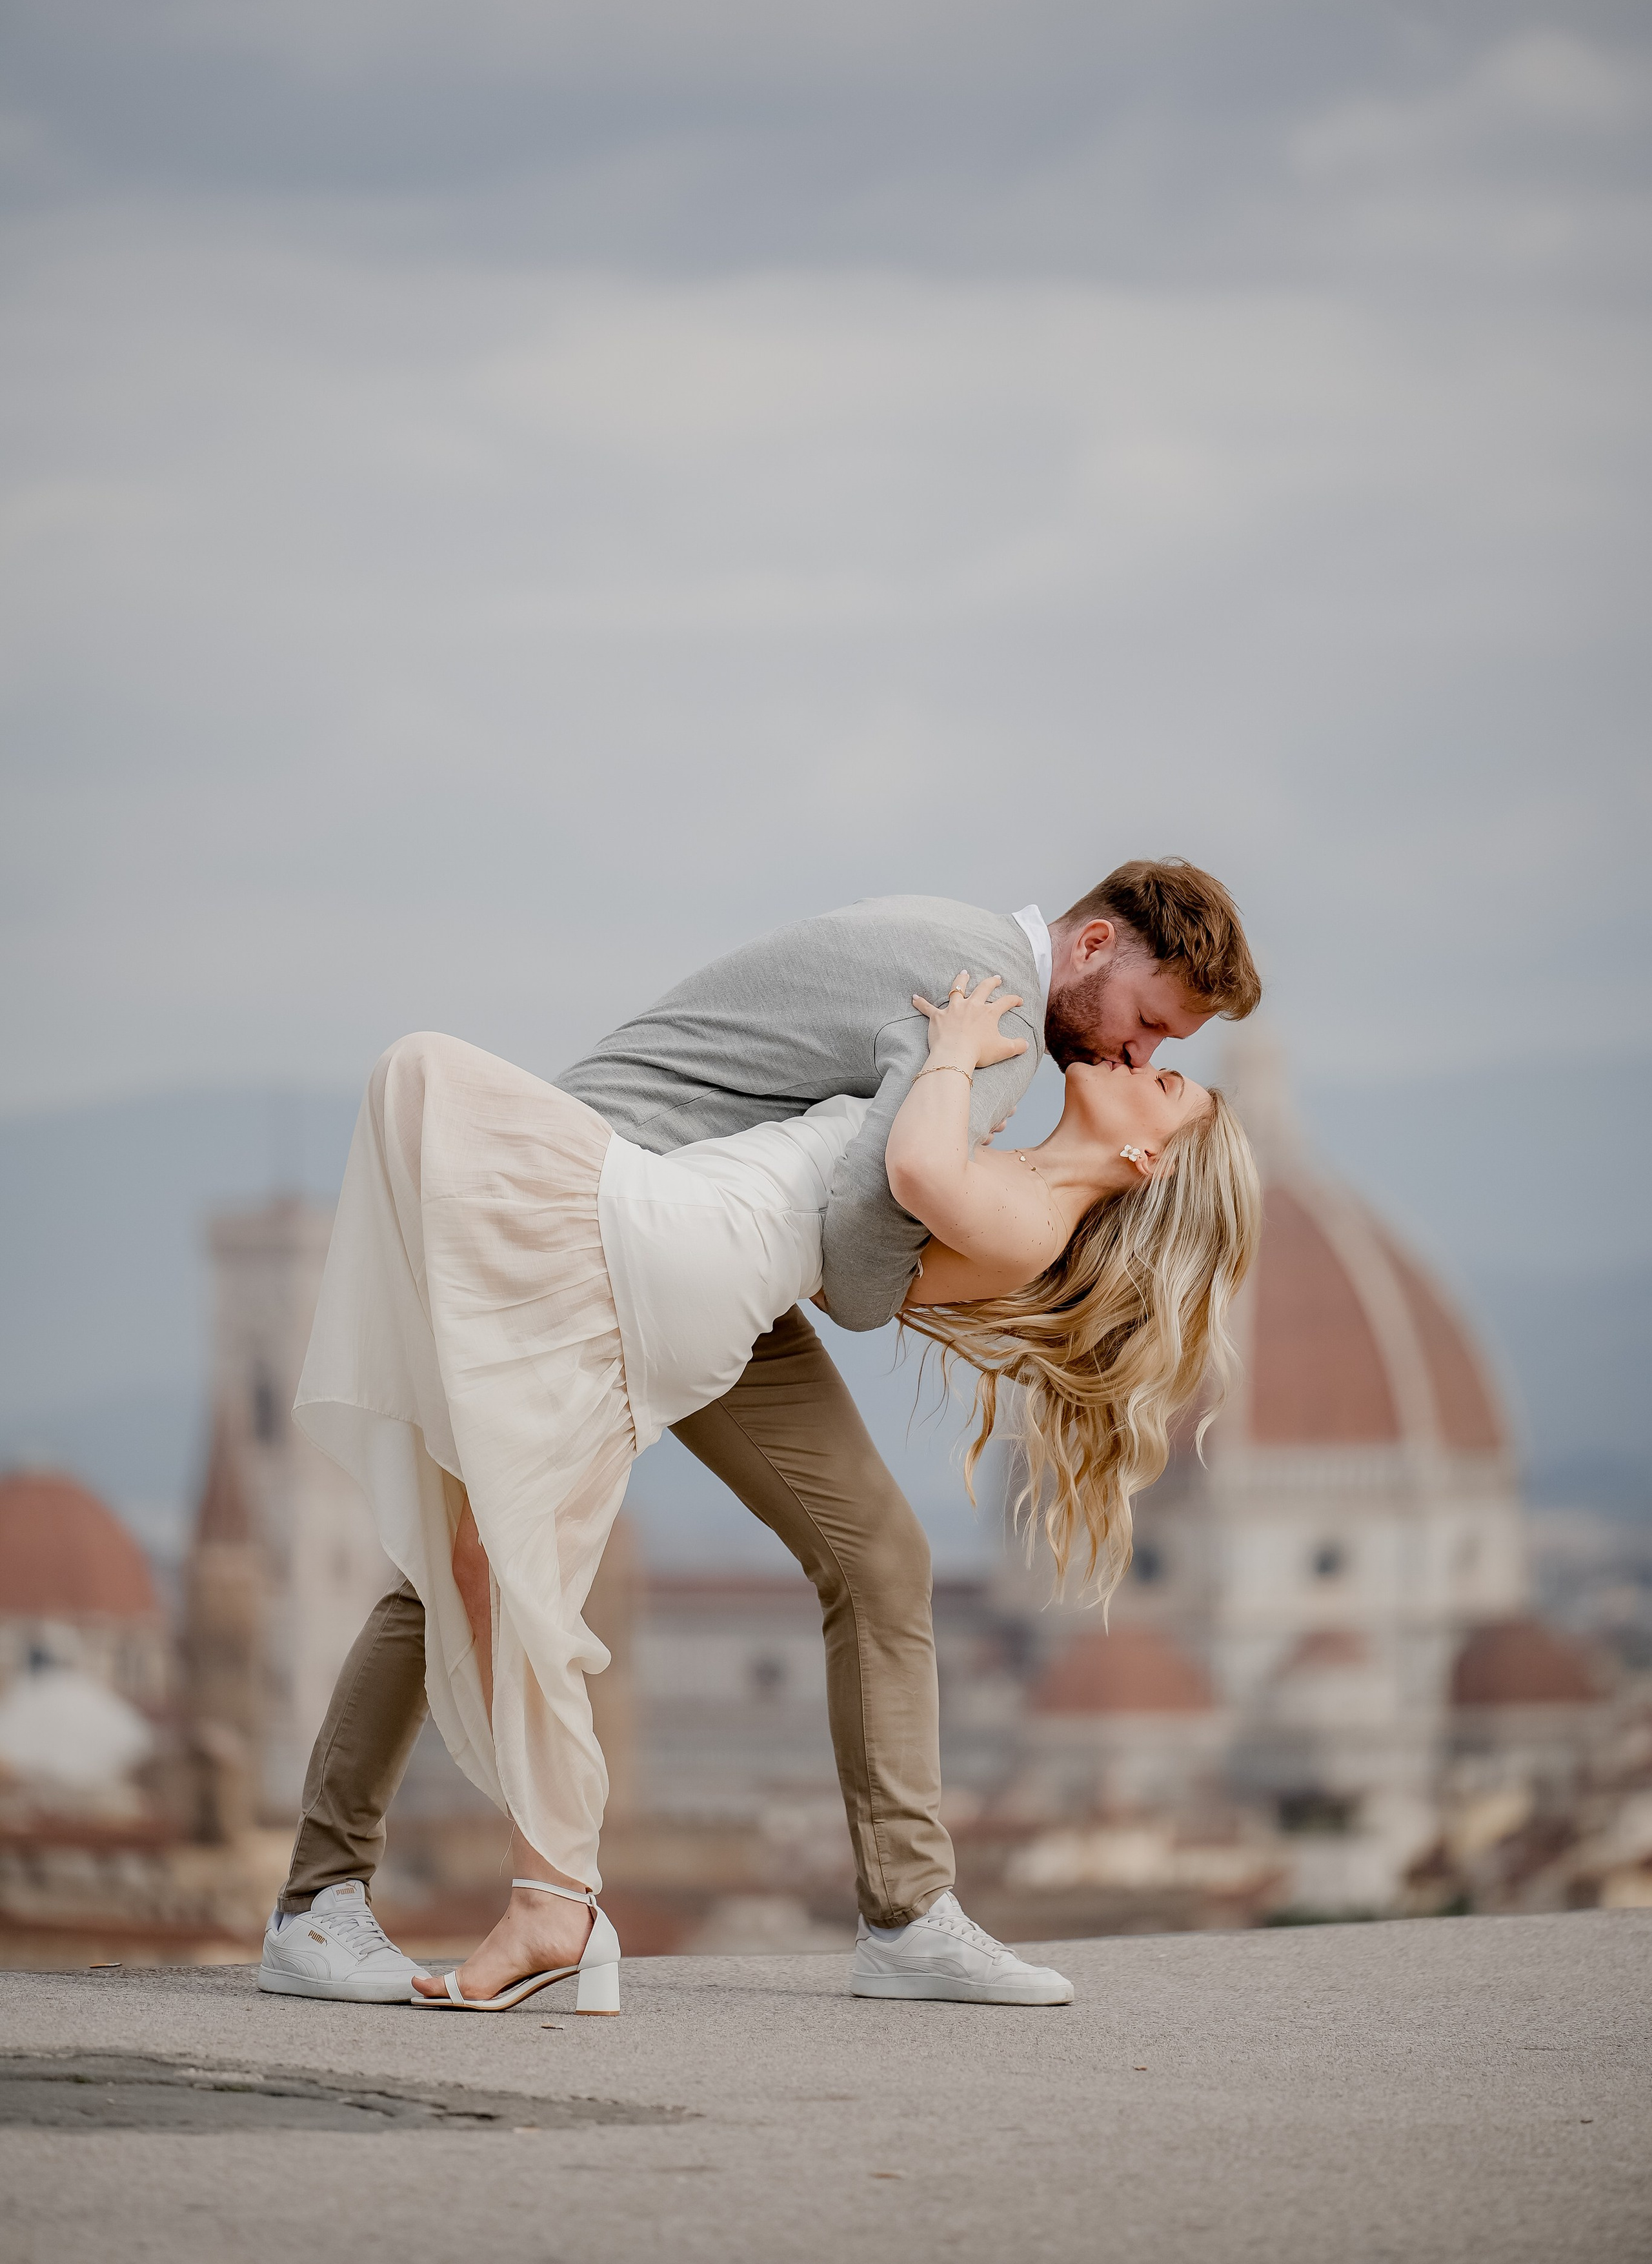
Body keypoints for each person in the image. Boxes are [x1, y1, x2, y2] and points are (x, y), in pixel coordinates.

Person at [256, 860, 1262, 2009]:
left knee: (866, 1555)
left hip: (709, 1259)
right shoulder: (986, 1023)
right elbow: (858, 1250)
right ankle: (335, 1903)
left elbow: (867, 1221)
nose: (1135, 1056)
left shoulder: (960, 967)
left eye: (1161, 1056)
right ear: (1092, 949)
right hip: (617, 1229)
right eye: (1146, 1025)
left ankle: (908, 1916)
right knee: (474, 1557)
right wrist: (912, 1192)